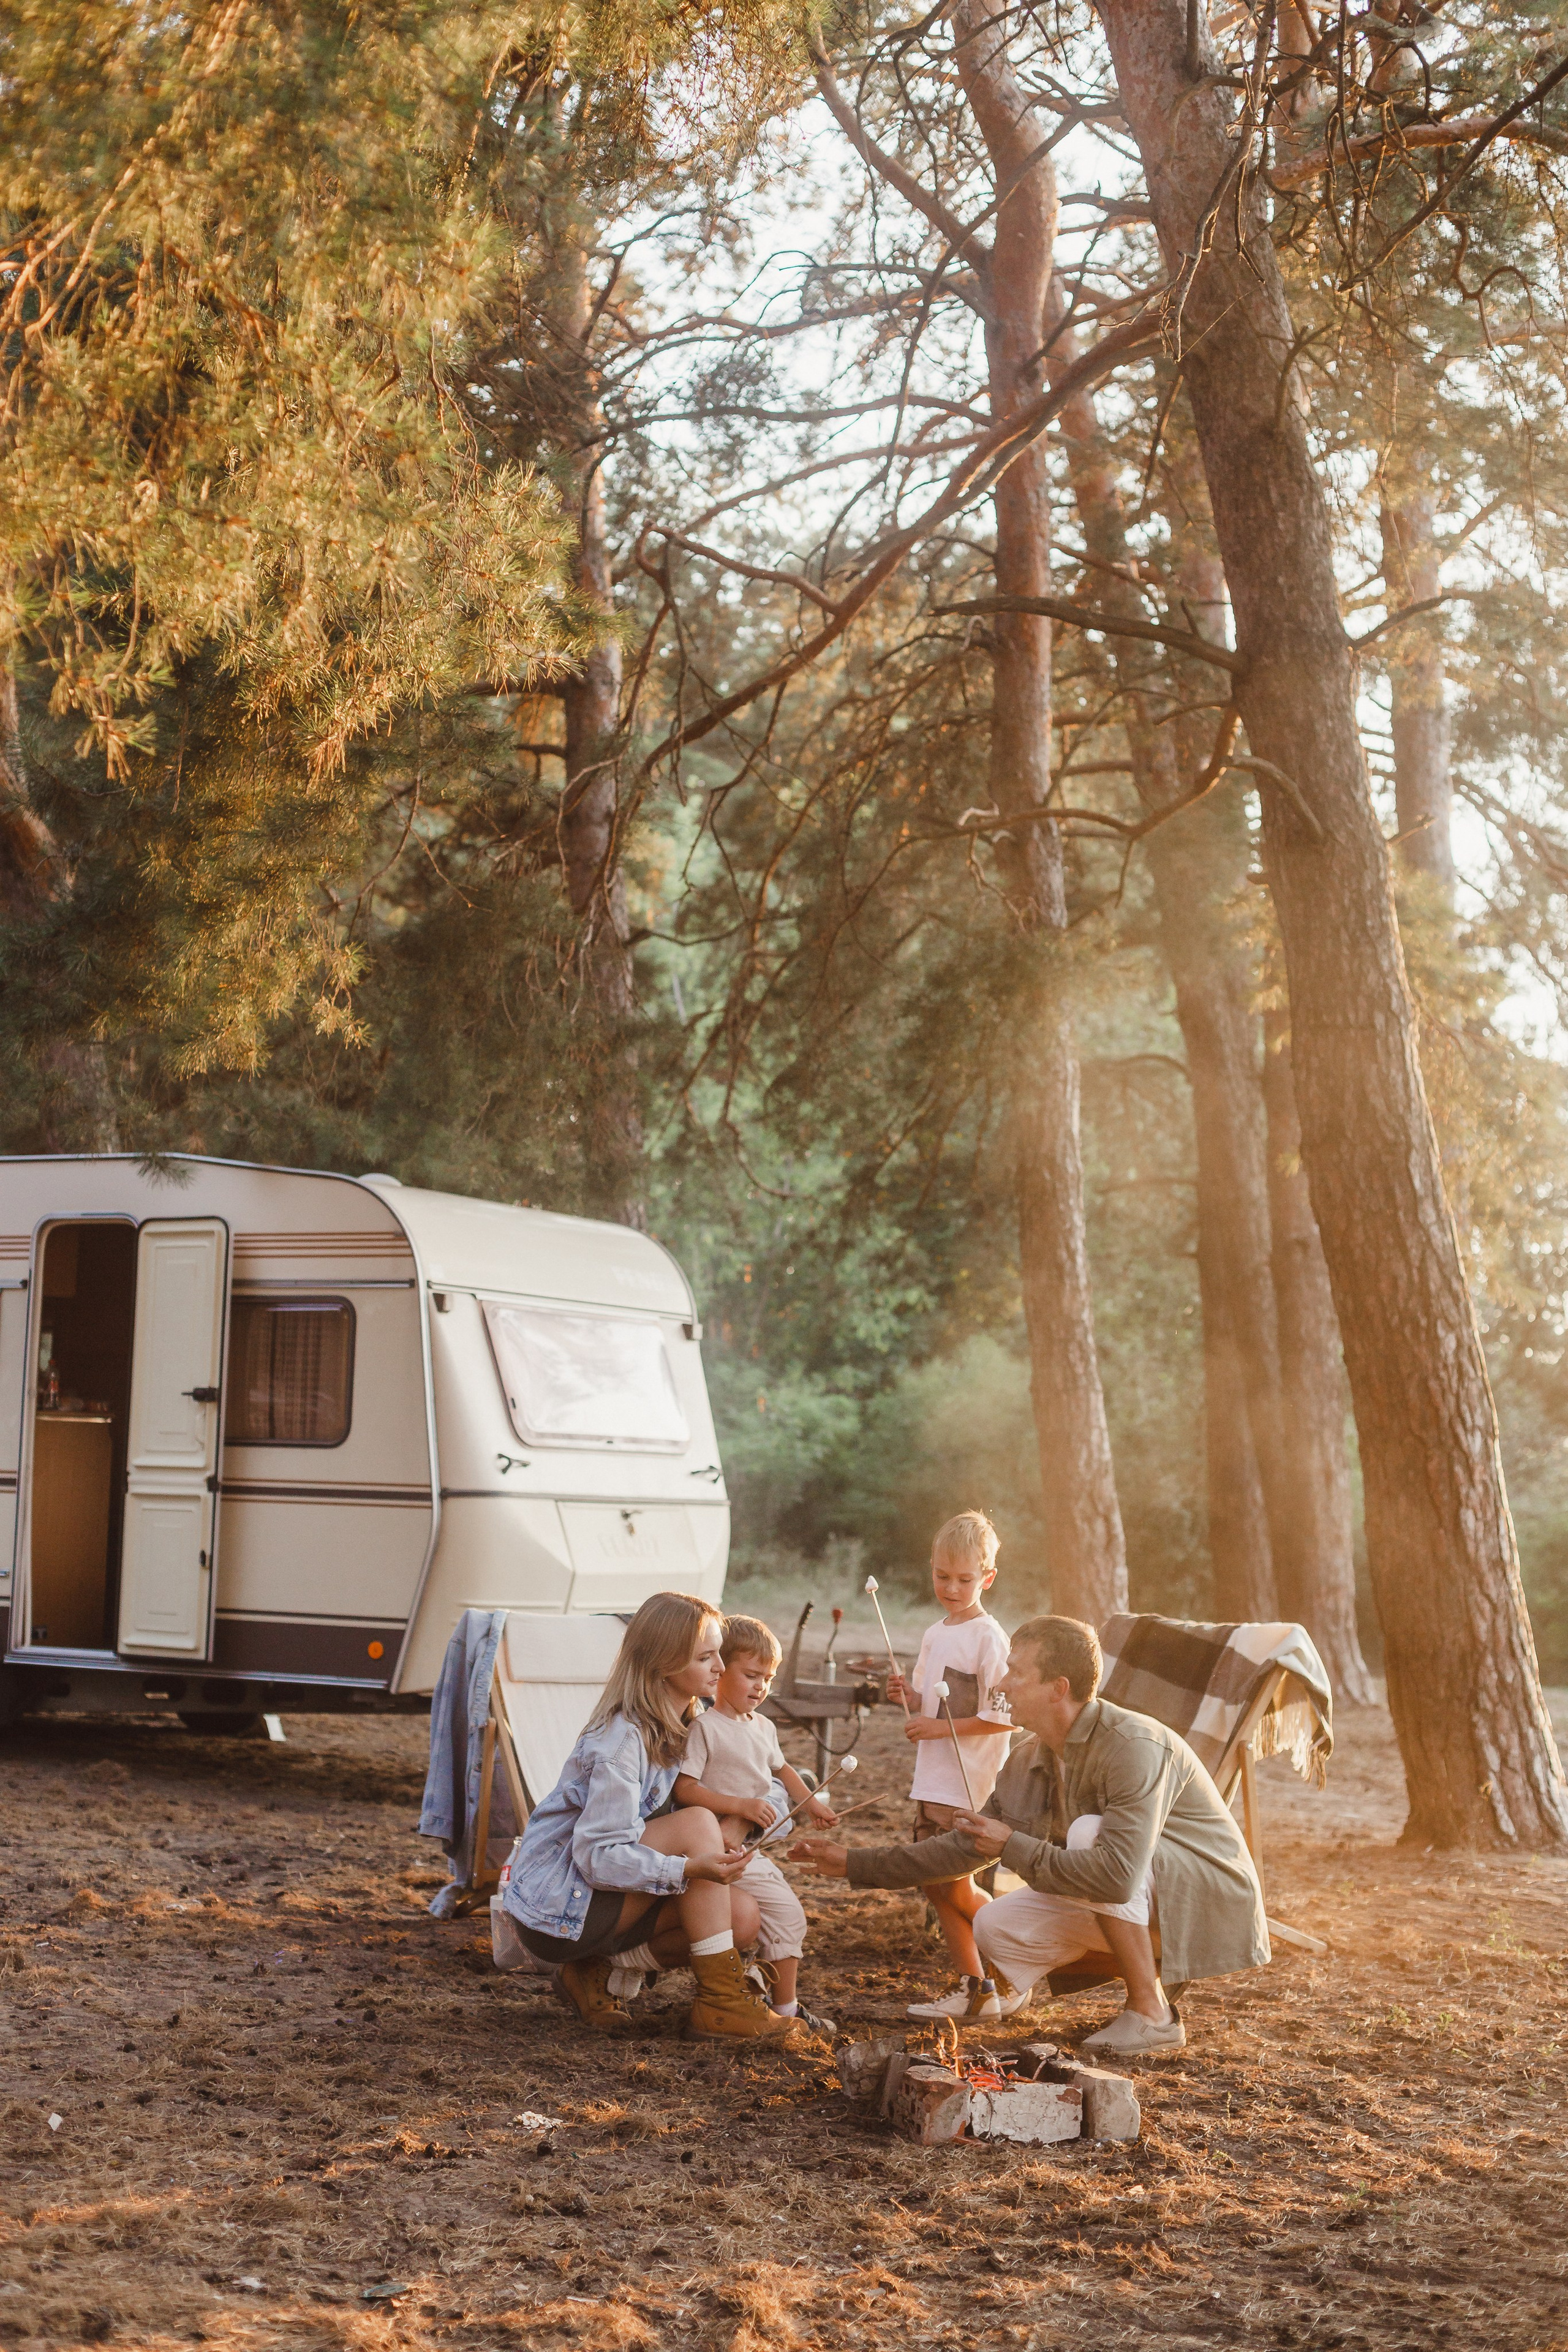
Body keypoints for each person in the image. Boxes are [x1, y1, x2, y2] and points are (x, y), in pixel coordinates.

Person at [792, 1613, 1270, 2057]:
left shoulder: (1132, 1748)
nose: (1000, 1684)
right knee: (994, 1925)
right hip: (1144, 1902)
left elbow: (1118, 1878)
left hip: (1206, 1902)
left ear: (1058, 1688)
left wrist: (1011, 1846)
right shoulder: (1029, 1757)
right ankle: (1023, 1991)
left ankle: (1153, 2013)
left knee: (1088, 1833)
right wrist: (854, 1862)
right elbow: (963, 1849)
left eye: (1016, 1672)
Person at [500, 1589, 796, 2042]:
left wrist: (734, 1828)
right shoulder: (621, 1743)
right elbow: (597, 1855)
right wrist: (689, 1865)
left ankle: (594, 1973)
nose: (721, 1668)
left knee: (744, 1917)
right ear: (664, 1664)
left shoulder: (691, 1726)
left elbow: (760, 1780)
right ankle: (721, 2004)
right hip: (562, 1908)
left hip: (609, 1903)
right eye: (706, 1657)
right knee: (697, 1823)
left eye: (720, 1655)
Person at [674, 1612, 838, 2034]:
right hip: (714, 1848)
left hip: (750, 1850)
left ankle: (779, 2007)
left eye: (768, 1678)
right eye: (751, 1675)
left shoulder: (763, 1727)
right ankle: (770, 2005)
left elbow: (784, 1772)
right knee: (781, 1916)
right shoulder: (705, 1729)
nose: (760, 1687)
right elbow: (685, 1790)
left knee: (785, 1918)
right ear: (719, 1670)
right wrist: (742, 1807)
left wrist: (813, 1805)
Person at [884, 1510, 1015, 2022]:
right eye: (943, 1576)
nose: (952, 1588)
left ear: (988, 1578)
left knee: (955, 1884)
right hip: (932, 1781)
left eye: (965, 1579)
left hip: (968, 1786)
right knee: (937, 1886)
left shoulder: (989, 1638)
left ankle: (1019, 1956)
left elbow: (1004, 1719)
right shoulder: (936, 1633)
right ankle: (977, 1988)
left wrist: (938, 1728)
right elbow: (930, 1706)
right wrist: (908, 1696)